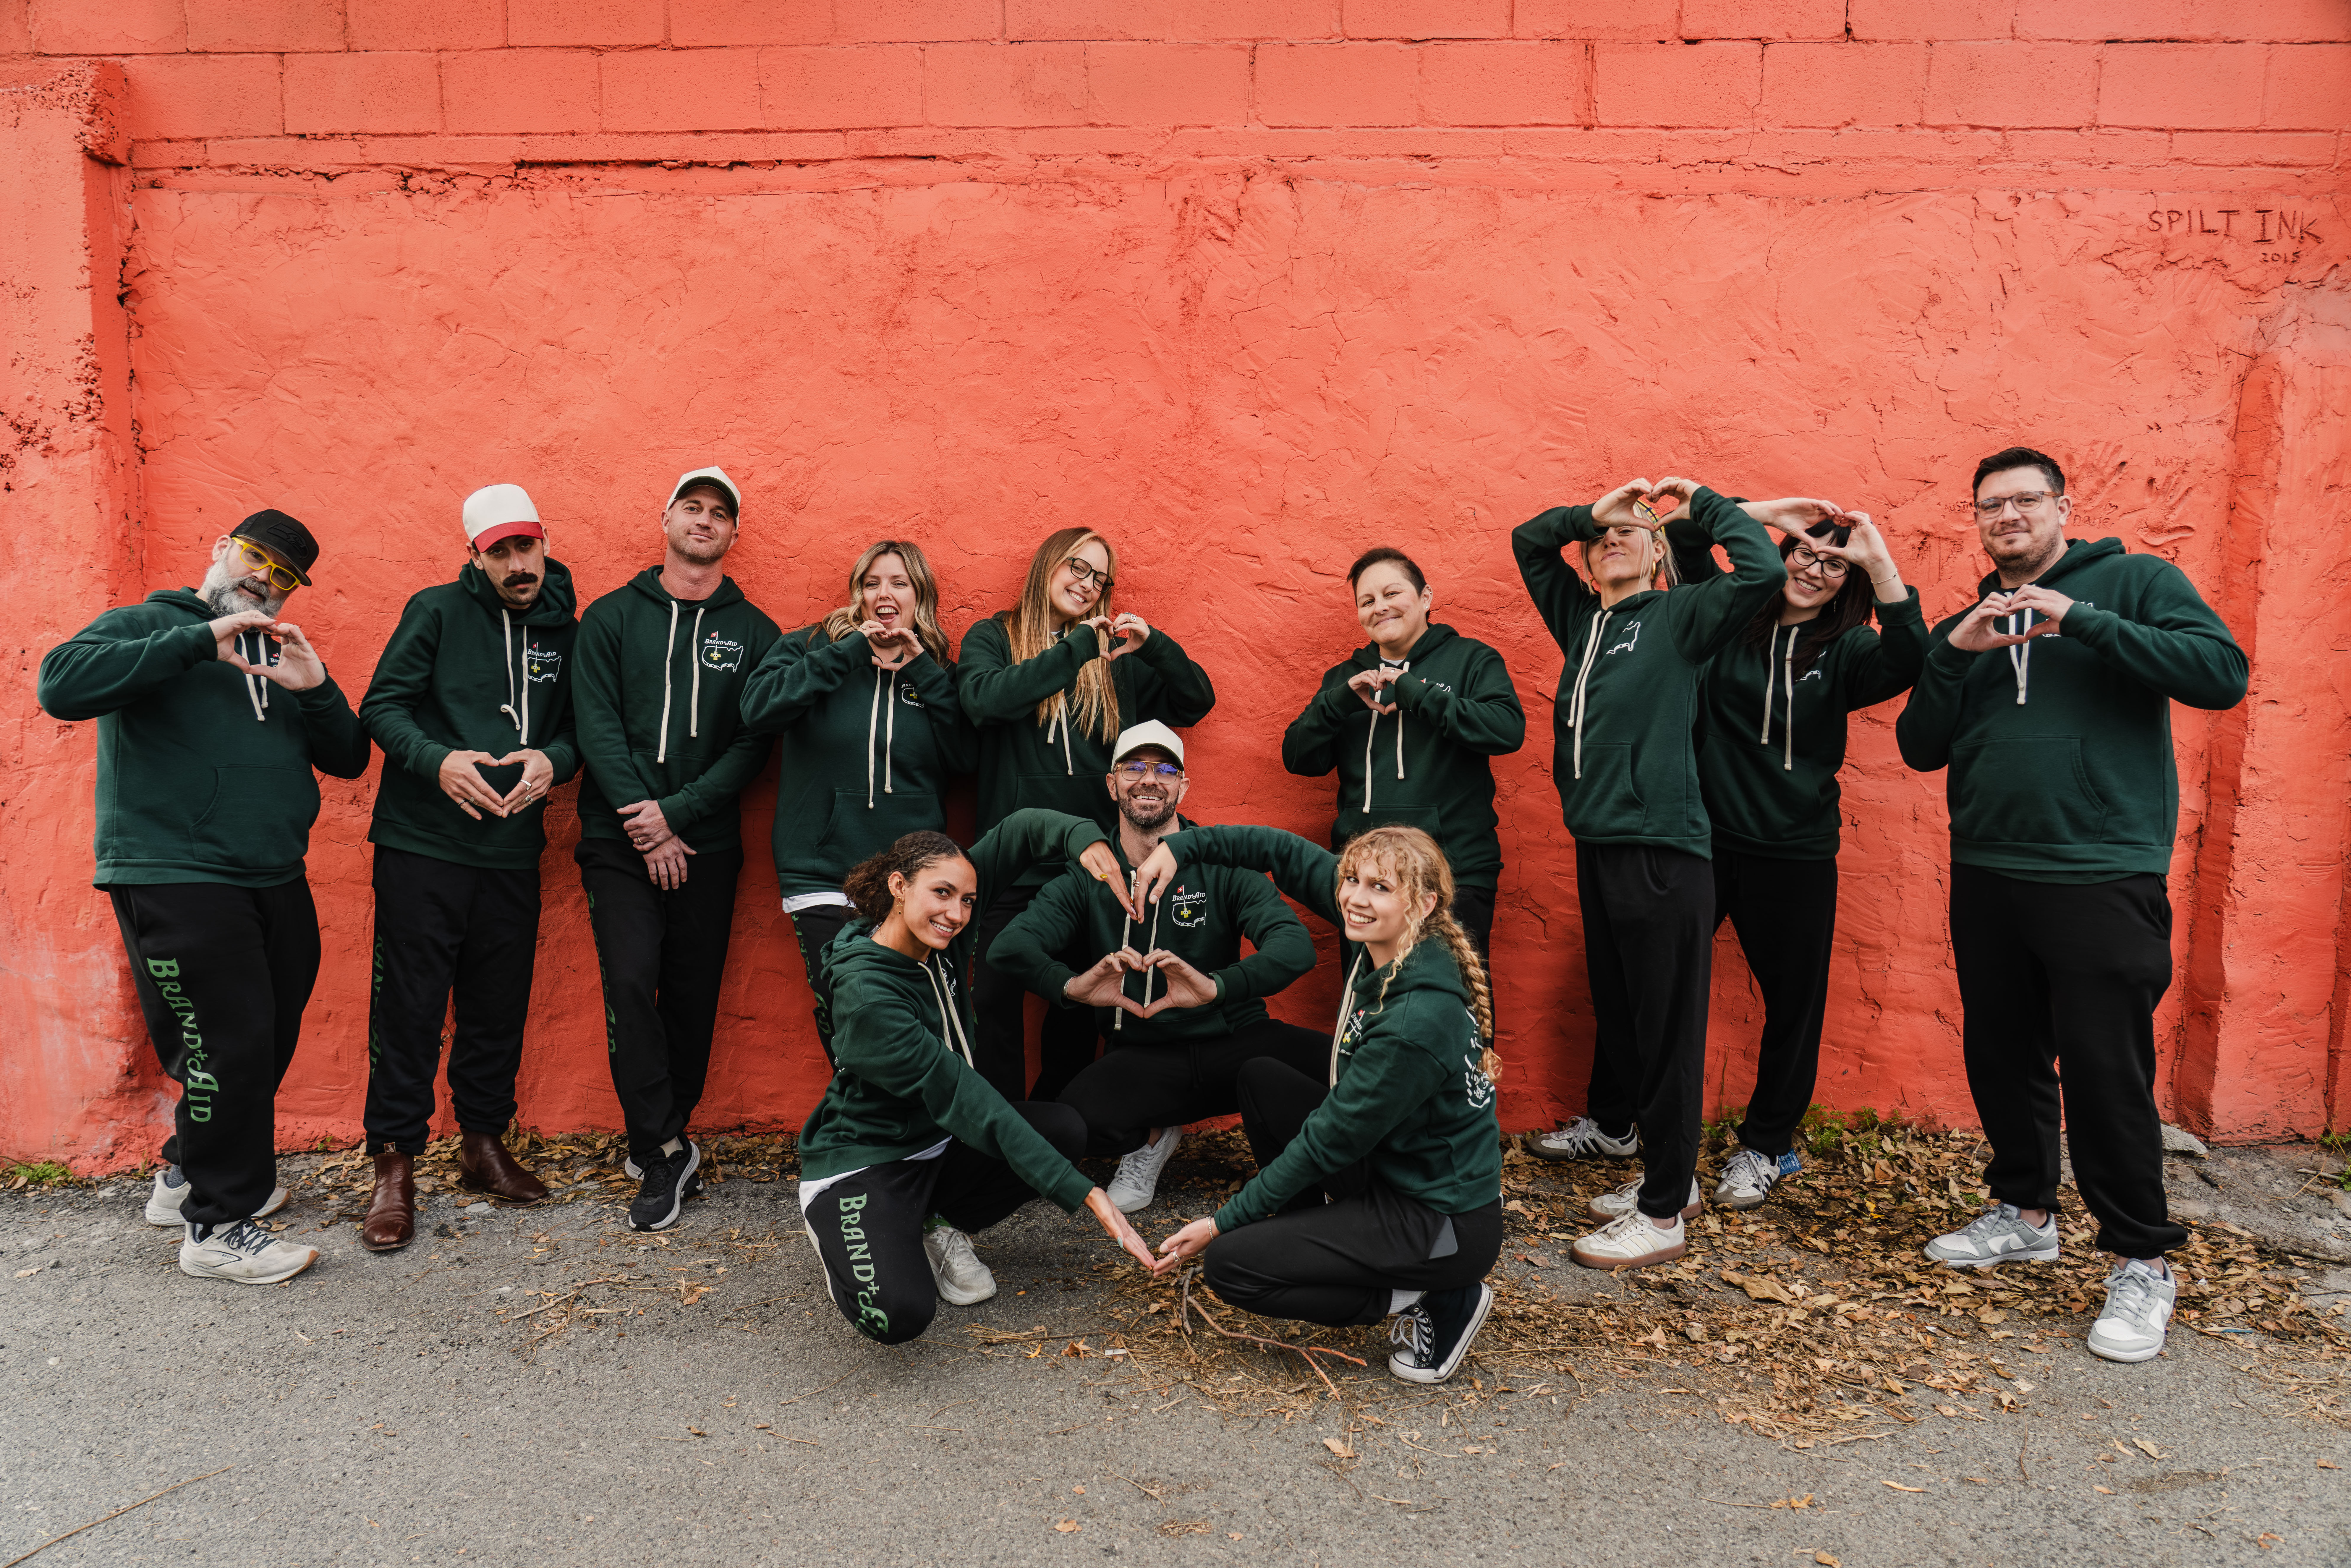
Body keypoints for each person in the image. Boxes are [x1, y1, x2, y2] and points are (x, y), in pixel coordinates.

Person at [1896, 446, 2247, 1365]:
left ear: (2063, 506)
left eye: (2024, 500)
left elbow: (2219, 673)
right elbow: (1920, 749)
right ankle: (2023, 1212)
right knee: (2003, 1050)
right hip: (1990, 866)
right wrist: (1949, 653)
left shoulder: (2132, 581)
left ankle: (2142, 1260)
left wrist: (2080, 618)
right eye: (1989, 507)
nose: (2006, 517)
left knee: (2104, 1071)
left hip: (2100, 869)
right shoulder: (1970, 621)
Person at [37, 509, 372, 1285]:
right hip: (175, 873)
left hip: (273, 875)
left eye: (284, 575)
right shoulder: (148, 625)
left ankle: (190, 1171)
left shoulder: (275, 656)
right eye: (256, 558)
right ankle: (218, 1228)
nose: (266, 578)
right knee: (230, 1043)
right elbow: (61, 685)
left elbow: (350, 757)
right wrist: (197, 641)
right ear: (222, 550)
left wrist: (316, 688)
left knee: (264, 1039)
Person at [1512, 478, 1821, 1270]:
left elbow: (1757, 576)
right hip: (1600, 843)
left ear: (1658, 559)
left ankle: (1662, 1218)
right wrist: (1599, 510)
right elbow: (1528, 539)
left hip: (1663, 849)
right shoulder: (1583, 620)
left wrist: (1708, 507)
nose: (1614, 539)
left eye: (1633, 533)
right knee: (1626, 1022)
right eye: (1602, 537)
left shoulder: (1679, 618)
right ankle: (1671, 1180)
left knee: (1666, 1033)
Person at [1139, 825, 1503, 1386]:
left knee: (1231, 1266)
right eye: (1352, 880)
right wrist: (1178, 849)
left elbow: (1326, 1142)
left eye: (1381, 887)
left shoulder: (1413, 1024)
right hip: (1397, 1171)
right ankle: (1321, 1242)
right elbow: (1277, 851)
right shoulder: (1390, 936)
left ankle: (1424, 1295)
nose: (1357, 898)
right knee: (1263, 1078)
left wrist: (1220, 1223)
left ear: (1424, 904)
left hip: (1438, 1224)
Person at [1640, 508, 1929, 1213]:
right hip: (1702, 842)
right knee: (1658, 986)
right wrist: (1770, 515)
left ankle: (1765, 1146)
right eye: (1801, 554)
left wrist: (1879, 558)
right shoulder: (1729, 618)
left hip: (1794, 853)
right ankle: (1633, 1131)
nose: (1813, 570)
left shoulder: (1853, 651)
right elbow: (1685, 535)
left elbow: (1913, 654)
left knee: (1794, 1006)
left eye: (1835, 564)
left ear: (1850, 583)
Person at [797, 819, 1159, 1344]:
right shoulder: (869, 995)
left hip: (941, 1144)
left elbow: (1019, 832)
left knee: (1062, 1128)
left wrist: (1087, 843)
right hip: (866, 1163)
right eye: (942, 894)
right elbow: (967, 1098)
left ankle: (933, 1221)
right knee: (897, 1316)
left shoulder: (938, 936)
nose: (957, 914)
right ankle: (842, 1228)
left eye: (968, 900)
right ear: (899, 888)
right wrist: (1087, 1194)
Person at [354, 484, 580, 1251]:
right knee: (410, 1009)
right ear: (475, 557)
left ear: (545, 542)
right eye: (501, 552)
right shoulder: (437, 612)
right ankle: (394, 1165)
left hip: (513, 851)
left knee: (498, 1004)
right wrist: (437, 759)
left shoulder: (564, 627)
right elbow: (382, 707)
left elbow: (583, 730)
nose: (520, 565)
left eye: (529, 546)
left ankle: (483, 1144)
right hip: (423, 846)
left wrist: (554, 761)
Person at [987, 720, 1321, 1214]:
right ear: (1112, 783)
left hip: (1236, 1042)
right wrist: (1073, 987)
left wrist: (1216, 988)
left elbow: (1295, 947)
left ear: (1183, 787)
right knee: (1080, 1120)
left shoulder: (1220, 860)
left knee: (1344, 1068)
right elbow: (1009, 948)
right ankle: (1152, 1137)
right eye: (1134, 768)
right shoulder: (1090, 875)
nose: (1150, 779)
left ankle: (1303, 1169)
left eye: (1166, 769)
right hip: (1146, 1052)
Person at [573, 467, 781, 1232]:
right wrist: (645, 823)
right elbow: (596, 727)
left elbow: (752, 744)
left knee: (691, 999)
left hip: (709, 845)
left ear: (733, 534)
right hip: (618, 843)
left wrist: (681, 816)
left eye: (719, 513)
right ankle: (663, 1146)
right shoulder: (609, 618)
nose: (704, 521)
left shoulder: (755, 632)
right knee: (631, 982)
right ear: (665, 519)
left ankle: (661, 1130)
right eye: (691, 507)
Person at [958, 529, 1216, 1103]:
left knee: (1077, 1003)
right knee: (993, 1000)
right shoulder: (994, 638)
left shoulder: (1114, 665)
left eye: (1100, 578)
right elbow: (984, 701)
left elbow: (1196, 700)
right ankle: (1001, 1137)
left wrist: (1152, 647)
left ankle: (1060, 1126)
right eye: (1078, 567)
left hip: (1089, 865)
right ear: (1048, 564)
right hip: (1011, 864)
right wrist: (1076, 649)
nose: (1087, 583)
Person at [740, 540, 977, 1068]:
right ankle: (858, 1141)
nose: (884, 594)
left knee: (910, 1019)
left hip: (908, 880)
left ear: (921, 596)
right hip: (822, 869)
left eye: (899, 583)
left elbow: (966, 758)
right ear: (857, 594)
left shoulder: (942, 671)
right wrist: (849, 651)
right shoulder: (810, 648)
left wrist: (925, 674)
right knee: (846, 1019)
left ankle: (919, 1143)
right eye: (872, 583)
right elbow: (758, 710)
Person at [1280, 546, 1524, 972]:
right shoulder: (1344, 679)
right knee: (1369, 1011)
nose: (1381, 608)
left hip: (1452, 874)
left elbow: (1506, 730)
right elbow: (1300, 757)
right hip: (1364, 882)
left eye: (1392, 593)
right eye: (1367, 601)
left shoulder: (1470, 660)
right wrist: (1339, 702)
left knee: (1453, 1009)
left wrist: (1413, 692)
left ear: (1426, 597)